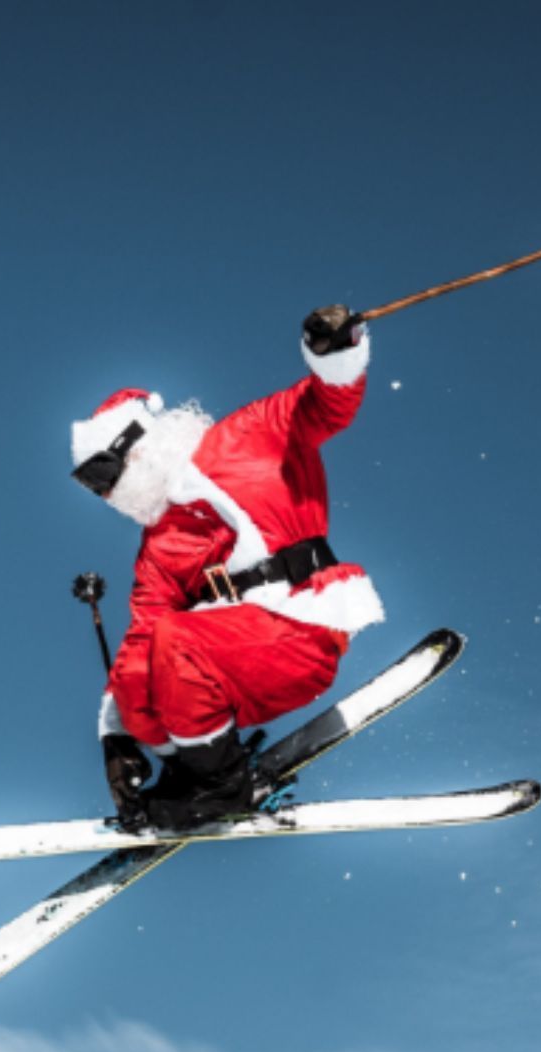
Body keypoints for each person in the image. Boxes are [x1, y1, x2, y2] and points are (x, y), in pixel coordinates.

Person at [69, 305, 386, 832]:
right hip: (230, 663)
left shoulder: (250, 433)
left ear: (136, 445)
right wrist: (116, 738)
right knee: (135, 676)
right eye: (90, 485)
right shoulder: (159, 544)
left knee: (175, 639)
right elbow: (140, 638)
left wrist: (335, 349)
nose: (104, 494)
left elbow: (326, 405)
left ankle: (221, 787)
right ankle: (197, 773)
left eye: (101, 475)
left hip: (300, 627)